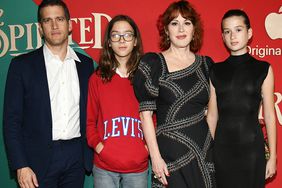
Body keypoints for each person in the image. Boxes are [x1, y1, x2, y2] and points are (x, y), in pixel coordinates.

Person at [3, 0, 94, 187]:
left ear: (69, 25)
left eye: (59, 19)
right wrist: (21, 165)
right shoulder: (22, 66)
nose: (54, 25)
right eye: (47, 20)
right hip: (37, 160)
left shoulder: (85, 66)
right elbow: (11, 121)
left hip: (76, 157)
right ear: (40, 28)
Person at [133, 1, 216, 187]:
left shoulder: (206, 65)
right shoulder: (153, 64)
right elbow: (145, 116)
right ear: (166, 30)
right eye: (174, 23)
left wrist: (209, 149)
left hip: (203, 154)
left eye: (187, 22)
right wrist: (155, 158)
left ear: (194, 29)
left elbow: (212, 114)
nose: (181, 28)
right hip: (168, 157)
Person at [207, 9, 277, 188]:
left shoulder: (263, 69)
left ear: (249, 33)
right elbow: (212, 116)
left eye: (238, 29)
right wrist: (210, 152)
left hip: (252, 150)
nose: (232, 36)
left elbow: (269, 115)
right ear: (223, 36)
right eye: (227, 31)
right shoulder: (216, 71)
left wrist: (273, 156)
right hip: (222, 151)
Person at [86, 15, 148, 188]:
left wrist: (145, 150)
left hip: (137, 166)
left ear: (135, 40)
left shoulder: (145, 77)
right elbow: (90, 122)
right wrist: (101, 149)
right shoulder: (97, 79)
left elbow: (154, 119)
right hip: (104, 166)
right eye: (115, 35)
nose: (122, 40)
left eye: (127, 35)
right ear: (109, 42)